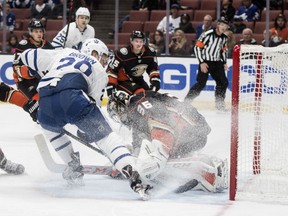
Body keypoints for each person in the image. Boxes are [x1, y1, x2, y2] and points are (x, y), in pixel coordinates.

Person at [19, 38, 151, 197]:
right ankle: (134, 176)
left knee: (51, 130)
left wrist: (33, 71)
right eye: (102, 57)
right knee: (106, 138)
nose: (103, 62)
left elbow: (26, 55)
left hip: (45, 102)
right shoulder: (101, 73)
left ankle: (72, 165)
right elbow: (91, 103)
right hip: (73, 98)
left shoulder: (65, 52)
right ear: (93, 53)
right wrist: (90, 132)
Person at [107, 90, 228, 192]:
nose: (120, 119)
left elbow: (161, 118)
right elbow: (139, 137)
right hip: (193, 132)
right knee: (154, 156)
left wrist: (160, 154)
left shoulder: (137, 104)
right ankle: (202, 165)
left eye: (118, 114)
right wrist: (129, 159)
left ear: (122, 105)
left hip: (192, 131)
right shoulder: (140, 105)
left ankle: (207, 170)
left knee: (158, 161)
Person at [186, 17, 230, 111]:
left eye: (225, 26)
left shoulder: (224, 38)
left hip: (217, 62)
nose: (223, 27)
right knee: (201, 83)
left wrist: (224, 62)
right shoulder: (207, 34)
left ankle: (219, 106)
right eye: (222, 24)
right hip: (206, 62)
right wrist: (202, 62)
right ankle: (186, 103)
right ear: (218, 25)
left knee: (223, 83)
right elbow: (197, 48)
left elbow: (223, 51)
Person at [106, 30, 160, 97]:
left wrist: (155, 81)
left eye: (141, 41)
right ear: (131, 41)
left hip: (138, 79)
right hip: (123, 81)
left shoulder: (150, 53)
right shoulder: (123, 54)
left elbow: (153, 69)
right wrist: (111, 85)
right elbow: (112, 71)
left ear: (144, 42)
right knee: (140, 94)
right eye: (136, 41)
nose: (139, 44)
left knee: (150, 94)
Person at [13, 19, 54, 103]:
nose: (39, 34)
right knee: (38, 103)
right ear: (30, 32)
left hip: (41, 79)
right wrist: (30, 72)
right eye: (36, 31)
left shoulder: (48, 45)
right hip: (25, 81)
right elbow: (16, 68)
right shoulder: (23, 45)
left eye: (40, 31)